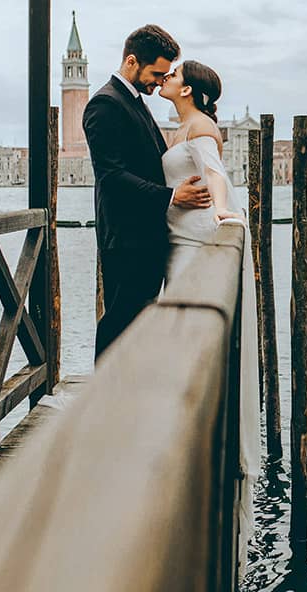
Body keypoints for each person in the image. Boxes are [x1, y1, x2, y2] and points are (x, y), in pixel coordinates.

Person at [157, 57, 260, 574]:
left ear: (190, 90)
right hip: (175, 240)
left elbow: (215, 174)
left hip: (196, 240)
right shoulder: (176, 125)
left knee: (186, 323)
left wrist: (222, 211)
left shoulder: (201, 127)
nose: (165, 80)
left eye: (172, 75)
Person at [82, 24, 212, 361]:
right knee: (120, 325)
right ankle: (105, 403)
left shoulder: (134, 101)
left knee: (138, 327)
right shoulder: (105, 105)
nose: (160, 80)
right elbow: (111, 176)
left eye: (166, 74)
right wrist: (170, 197)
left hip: (144, 237)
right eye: (156, 73)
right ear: (131, 62)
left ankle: (125, 401)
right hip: (126, 238)